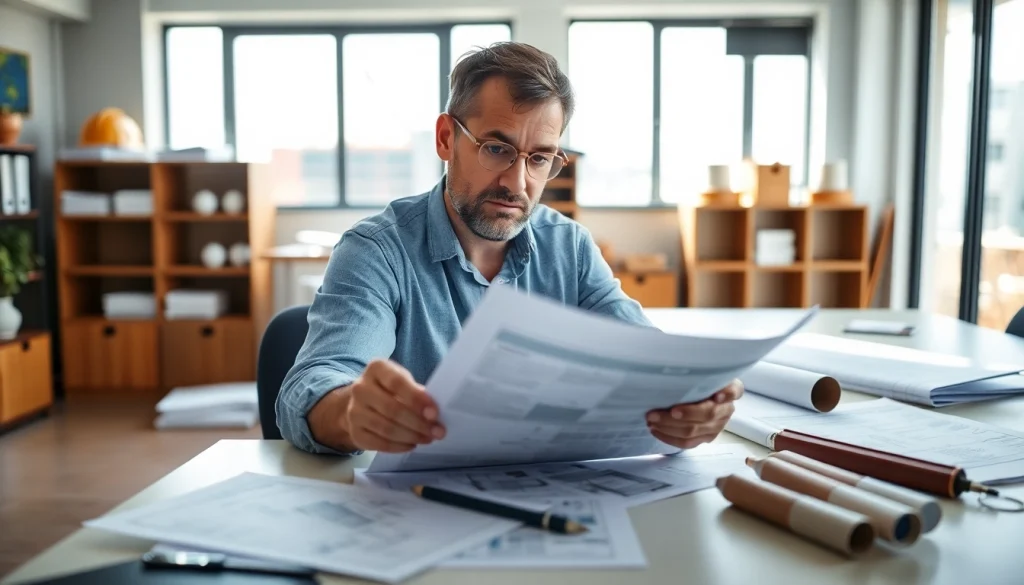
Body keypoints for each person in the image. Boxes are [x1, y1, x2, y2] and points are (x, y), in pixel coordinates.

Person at [276, 41, 743, 456]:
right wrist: (351, 413)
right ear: (446, 139)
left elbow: (648, 361)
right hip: (416, 510)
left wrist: (691, 402)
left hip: (553, 506)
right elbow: (312, 385)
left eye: (539, 158)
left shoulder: (571, 250)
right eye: (496, 149)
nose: (517, 183)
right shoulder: (377, 251)